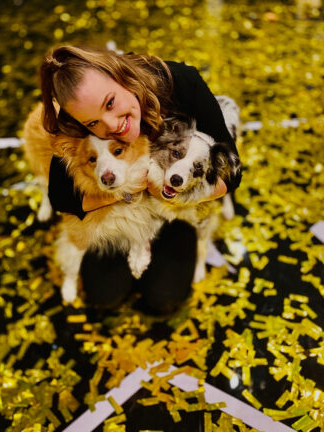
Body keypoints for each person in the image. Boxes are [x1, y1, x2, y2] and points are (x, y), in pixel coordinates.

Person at [39, 45, 241, 313]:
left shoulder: (181, 82)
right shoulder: (74, 117)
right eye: (92, 124)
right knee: (103, 297)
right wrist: (124, 191)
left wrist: (168, 192)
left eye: (110, 103)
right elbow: (62, 197)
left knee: (164, 299)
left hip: (175, 210)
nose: (110, 125)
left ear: (121, 75)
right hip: (119, 215)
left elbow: (232, 173)